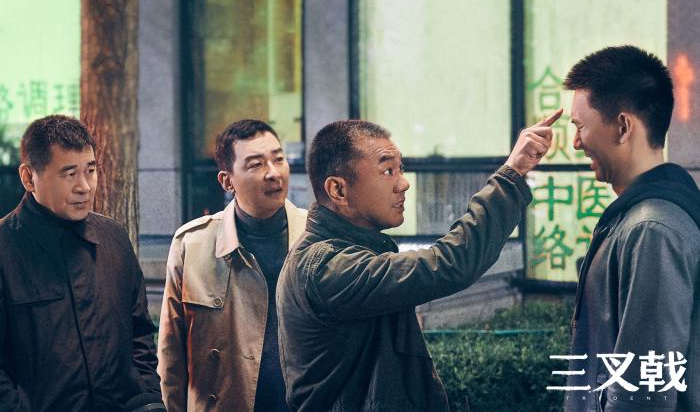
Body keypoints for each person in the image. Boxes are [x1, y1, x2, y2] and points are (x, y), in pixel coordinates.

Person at [276, 111, 562, 412]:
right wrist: (512, 172)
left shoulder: (349, 253)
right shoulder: (327, 267)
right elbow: (451, 263)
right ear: (338, 190)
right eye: (387, 171)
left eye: (401, 169)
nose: (403, 184)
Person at [564, 45, 700, 411]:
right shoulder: (648, 218)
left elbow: (643, 394)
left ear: (623, 127)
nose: (576, 143)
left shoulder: (652, 230)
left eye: (580, 126)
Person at [0, 115, 161, 411]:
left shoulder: (114, 238)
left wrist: (147, 398)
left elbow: (140, 334)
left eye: (90, 170)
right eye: (69, 173)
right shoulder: (5, 249)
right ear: (28, 177)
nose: (84, 187)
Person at [158, 119, 307, 412]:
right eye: (256, 165)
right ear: (227, 181)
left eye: (279, 159)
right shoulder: (193, 244)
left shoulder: (314, 236)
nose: (273, 173)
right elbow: (171, 354)